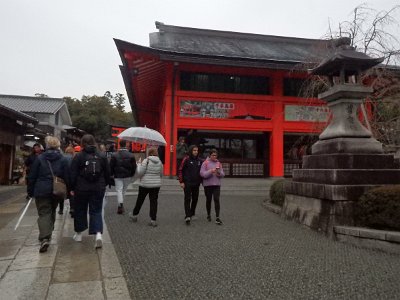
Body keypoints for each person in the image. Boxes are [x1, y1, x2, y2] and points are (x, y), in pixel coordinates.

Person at [27, 136, 70, 253]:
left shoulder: (40, 158)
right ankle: (48, 233)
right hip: (56, 189)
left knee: (44, 212)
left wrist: (30, 191)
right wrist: (69, 190)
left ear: (46, 146)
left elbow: (32, 176)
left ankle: (45, 237)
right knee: (51, 210)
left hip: (41, 189)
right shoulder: (63, 159)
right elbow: (67, 176)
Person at [70, 134, 111, 249]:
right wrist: (105, 184)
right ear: (94, 142)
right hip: (98, 187)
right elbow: (108, 172)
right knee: (96, 210)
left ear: (82, 143)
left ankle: (78, 234)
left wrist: (72, 188)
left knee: (80, 210)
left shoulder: (78, 156)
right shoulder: (102, 156)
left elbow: (72, 173)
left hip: (81, 188)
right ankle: (98, 234)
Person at [129, 148, 163, 227]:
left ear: (149, 153)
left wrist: (139, 165)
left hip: (145, 184)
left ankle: (134, 215)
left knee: (140, 200)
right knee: (154, 202)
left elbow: (140, 173)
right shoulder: (160, 162)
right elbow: (161, 174)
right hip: (156, 185)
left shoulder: (146, 161)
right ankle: (153, 219)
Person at [178, 145, 203, 225]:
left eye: (197, 150)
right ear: (191, 151)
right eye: (194, 150)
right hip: (187, 182)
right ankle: (187, 216)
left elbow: (202, 171)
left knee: (195, 199)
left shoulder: (199, 160)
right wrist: (181, 181)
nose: (196, 152)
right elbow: (180, 170)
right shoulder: (186, 159)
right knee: (187, 199)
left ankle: (192, 213)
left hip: (196, 183)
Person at [110, 140, 136, 214]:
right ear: (126, 145)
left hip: (117, 175)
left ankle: (120, 205)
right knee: (124, 190)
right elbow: (134, 167)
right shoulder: (131, 155)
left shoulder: (114, 155)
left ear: (119, 145)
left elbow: (111, 166)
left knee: (119, 190)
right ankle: (121, 205)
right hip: (127, 175)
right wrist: (132, 174)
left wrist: (111, 174)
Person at [200, 149, 225, 225]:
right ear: (210, 155)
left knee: (216, 199)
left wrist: (219, 173)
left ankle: (217, 217)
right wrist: (211, 171)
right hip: (208, 185)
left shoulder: (218, 163)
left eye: (215, 155)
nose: (214, 157)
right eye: (213, 155)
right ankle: (208, 215)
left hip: (216, 184)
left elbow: (223, 174)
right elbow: (202, 174)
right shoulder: (205, 163)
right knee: (209, 200)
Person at [64, 145, 75, 218]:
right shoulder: (73, 158)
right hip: (71, 178)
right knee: (72, 193)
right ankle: (72, 208)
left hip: (64, 178)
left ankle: (61, 209)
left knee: (63, 193)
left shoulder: (63, 158)